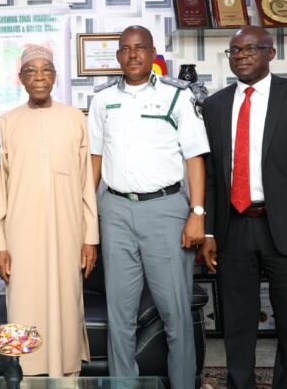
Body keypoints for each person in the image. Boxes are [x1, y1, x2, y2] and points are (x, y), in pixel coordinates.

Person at [201, 26, 287, 389]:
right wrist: (210, 230)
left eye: (250, 48)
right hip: (234, 228)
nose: (241, 55)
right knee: (238, 324)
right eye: (234, 51)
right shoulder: (214, 105)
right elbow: (213, 176)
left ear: (271, 53)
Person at [87, 25, 209, 389]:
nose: (133, 55)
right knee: (120, 315)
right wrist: (86, 216)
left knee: (175, 315)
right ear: (118, 56)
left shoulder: (178, 96)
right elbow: (94, 160)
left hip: (167, 211)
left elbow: (195, 159)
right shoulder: (102, 99)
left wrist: (197, 214)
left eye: (140, 48)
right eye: (125, 49)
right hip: (115, 211)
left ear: (152, 52)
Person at [0, 44, 98, 376]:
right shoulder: (6, 122)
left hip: (68, 232)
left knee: (66, 305)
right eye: (31, 71)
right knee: (23, 306)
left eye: (46, 70)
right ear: (20, 78)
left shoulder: (74, 118)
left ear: (55, 77)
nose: (39, 77)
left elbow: (85, 184)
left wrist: (89, 237)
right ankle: (25, 378)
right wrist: (0, 245)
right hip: (20, 236)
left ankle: (67, 379)